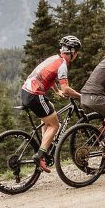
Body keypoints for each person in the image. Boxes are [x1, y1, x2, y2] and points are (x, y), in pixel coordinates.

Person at [21, 35, 83, 172]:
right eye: (77, 52)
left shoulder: (54, 58)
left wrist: (56, 91)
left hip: (26, 91)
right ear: (72, 52)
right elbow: (66, 88)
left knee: (51, 111)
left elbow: (46, 75)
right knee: (55, 125)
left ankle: (45, 146)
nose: (77, 55)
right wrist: (80, 96)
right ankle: (41, 154)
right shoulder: (63, 65)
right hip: (35, 95)